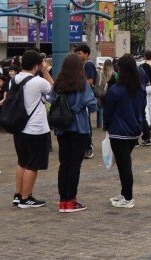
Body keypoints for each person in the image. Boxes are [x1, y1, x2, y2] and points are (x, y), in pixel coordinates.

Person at [49, 53, 98, 212]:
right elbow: (92, 105)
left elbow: (51, 101)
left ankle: (63, 201)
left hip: (62, 129)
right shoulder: (82, 83)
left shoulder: (58, 84)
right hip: (79, 128)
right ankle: (71, 201)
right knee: (74, 165)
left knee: (64, 164)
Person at [12, 49, 54, 209]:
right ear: (37, 65)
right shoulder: (38, 81)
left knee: (22, 162)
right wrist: (45, 70)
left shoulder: (14, 79)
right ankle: (26, 198)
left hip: (19, 127)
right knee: (33, 164)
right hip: (36, 128)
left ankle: (18, 195)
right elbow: (53, 87)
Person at [103, 54, 146, 208]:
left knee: (124, 166)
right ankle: (124, 194)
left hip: (118, 132)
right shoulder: (140, 89)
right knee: (124, 164)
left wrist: (107, 126)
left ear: (120, 69)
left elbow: (107, 111)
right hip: (134, 131)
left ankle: (128, 198)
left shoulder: (116, 90)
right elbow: (142, 109)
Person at [74, 44, 98, 159]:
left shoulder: (88, 65)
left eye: (80, 53)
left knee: (86, 123)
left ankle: (89, 147)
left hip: (86, 98)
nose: (78, 55)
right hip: (82, 97)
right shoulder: (80, 66)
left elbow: (90, 81)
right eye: (77, 53)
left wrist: (77, 87)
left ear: (86, 54)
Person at [139, 50, 151, 132]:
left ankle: (146, 123)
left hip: (146, 87)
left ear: (145, 56)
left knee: (145, 106)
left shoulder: (143, 66)